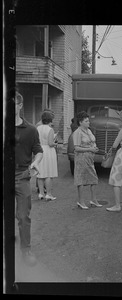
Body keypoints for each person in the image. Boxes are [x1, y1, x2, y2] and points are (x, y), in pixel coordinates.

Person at [15, 91, 43, 266]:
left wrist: (35, 163)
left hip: (21, 176)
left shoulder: (31, 129)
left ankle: (26, 251)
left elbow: (38, 150)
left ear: (19, 106)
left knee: (23, 216)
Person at [73, 111, 102, 209]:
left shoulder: (88, 131)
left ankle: (93, 200)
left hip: (90, 158)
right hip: (81, 158)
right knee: (81, 179)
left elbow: (92, 141)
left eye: (88, 120)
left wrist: (94, 147)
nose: (88, 122)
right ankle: (81, 201)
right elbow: (76, 148)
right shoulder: (77, 133)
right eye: (86, 121)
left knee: (93, 178)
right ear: (80, 122)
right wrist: (90, 149)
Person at [36, 112, 59, 201]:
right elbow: (50, 143)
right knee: (48, 173)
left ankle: (41, 193)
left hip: (39, 149)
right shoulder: (50, 129)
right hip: (48, 151)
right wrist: (55, 143)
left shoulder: (38, 128)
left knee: (40, 173)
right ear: (50, 120)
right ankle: (48, 194)